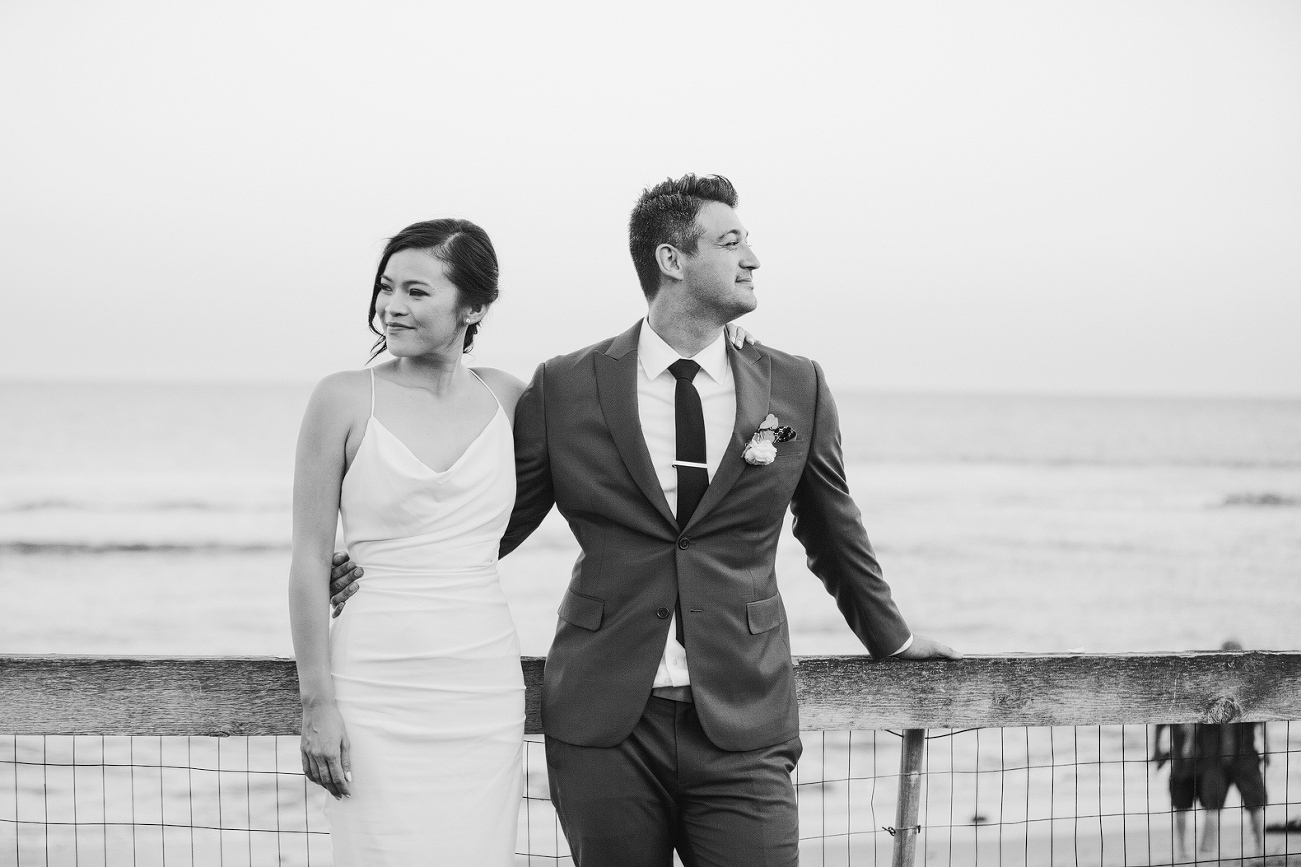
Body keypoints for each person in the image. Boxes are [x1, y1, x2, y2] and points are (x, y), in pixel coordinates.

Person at [331, 174, 957, 867]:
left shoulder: (795, 385)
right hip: (603, 725)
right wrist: (385, 567)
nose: (751, 257)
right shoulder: (567, 385)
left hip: (743, 719)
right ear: (671, 259)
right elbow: (497, 517)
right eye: (731, 241)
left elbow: (832, 528)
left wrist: (891, 639)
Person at [287, 219, 529, 865]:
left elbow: (589, 489)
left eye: (417, 291)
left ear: (474, 306)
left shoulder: (509, 397)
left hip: (482, 684)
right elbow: (309, 556)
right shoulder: (341, 398)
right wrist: (318, 704)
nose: (392, 305)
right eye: (386, 287)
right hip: (373, 684)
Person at [1152, 641, 1266, 860]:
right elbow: (1162, 723)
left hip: (1227, 757)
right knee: (1196, 803)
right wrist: (1159, 751)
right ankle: (1191, 851)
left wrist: (1266, 750)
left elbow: (1261, 721)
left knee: (1236, 802)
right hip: (1199, 759)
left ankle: (1248, 849)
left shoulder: (1236, 687)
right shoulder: (1196, 690)